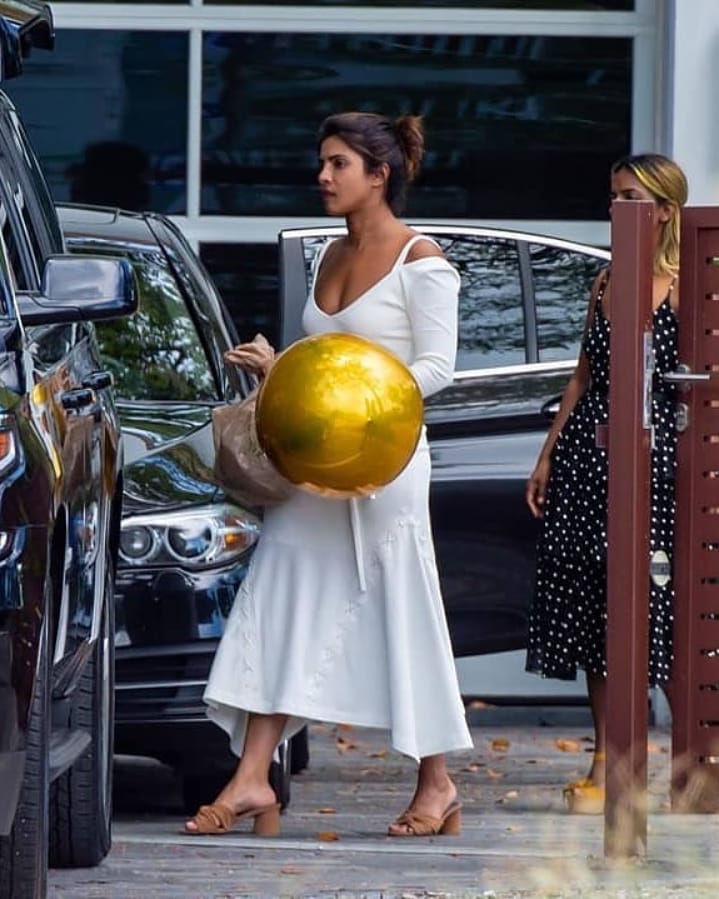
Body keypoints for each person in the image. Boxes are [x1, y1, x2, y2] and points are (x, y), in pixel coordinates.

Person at [184, 111, 473, 838]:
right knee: (279, 590)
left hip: (387, 465)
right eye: (322, 162)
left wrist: (332, 391)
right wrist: (277, 368)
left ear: (380, 174)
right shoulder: (326, 256)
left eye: (339, 163)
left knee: (400, 607)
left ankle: (436, 782)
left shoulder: (422, 262)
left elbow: (438, 368)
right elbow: (321, 363)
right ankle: (253, 776)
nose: (323, 176)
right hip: (313, 466)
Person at [525, 153, 688, 814]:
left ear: (665, 210)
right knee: (597, 610)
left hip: (663, 463)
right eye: (613, 197)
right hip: (590, 458)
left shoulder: (691, 282)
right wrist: (546, 454)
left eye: (630, 197)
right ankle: (606, 765)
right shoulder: (606, 279)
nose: (616, 209)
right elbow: (582, 376)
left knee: (667, 608)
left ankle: (692, 761)